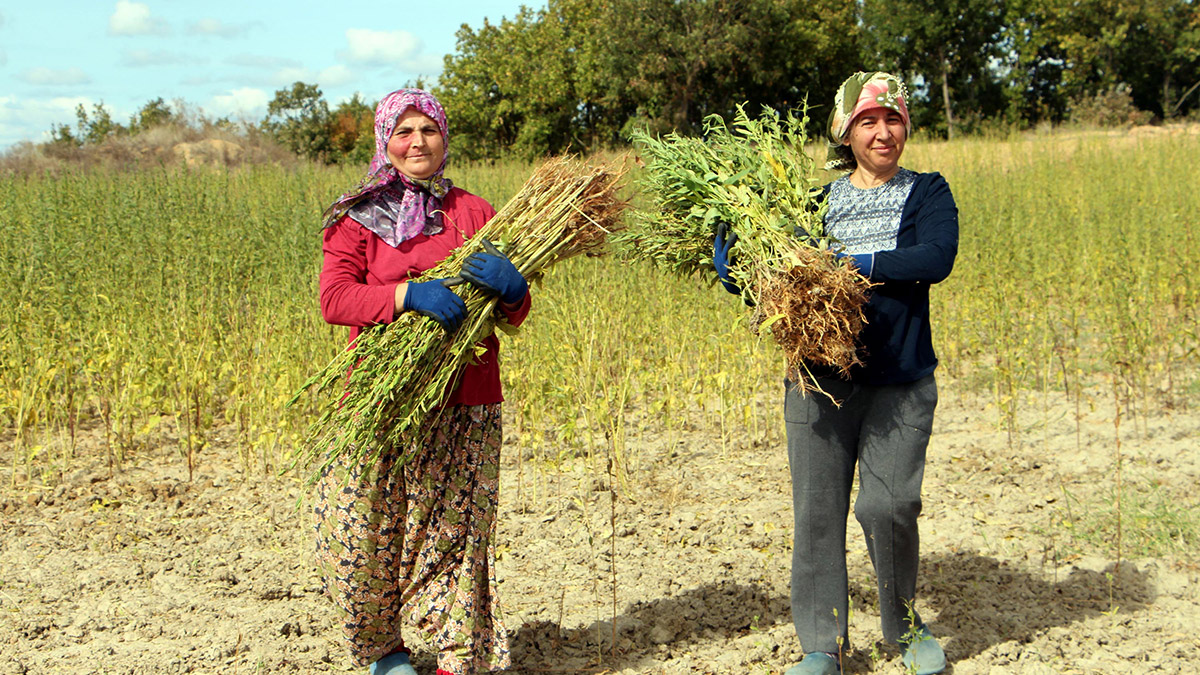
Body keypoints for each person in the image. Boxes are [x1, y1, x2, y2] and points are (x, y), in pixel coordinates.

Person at [714, 72, 957, 675]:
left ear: (906, 126)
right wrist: (744, 274)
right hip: (819, 383)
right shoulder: (812, 205)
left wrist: (857, 262)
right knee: (817, 513)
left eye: (892, 119)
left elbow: (936, 257)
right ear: (845, 132)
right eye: (867, 121)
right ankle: (822, 646)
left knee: (889, 505)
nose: (882, 131)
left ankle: (903, 630)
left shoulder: (927, 191)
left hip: (899, 379)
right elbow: (789, 295)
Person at [313, 88, 531, 675]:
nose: (417, 143)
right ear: (385, 140)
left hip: (468, 394)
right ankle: (381, 651)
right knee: (364, 529)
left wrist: (516, 290)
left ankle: (457, 660)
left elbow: (512, 313)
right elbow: (335, 298)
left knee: (459, 533)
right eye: (404, 131)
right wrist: (407, 295)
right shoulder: (357, 216)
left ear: (444, 138)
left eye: (428, 130)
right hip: (384, 399)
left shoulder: (477, 212)